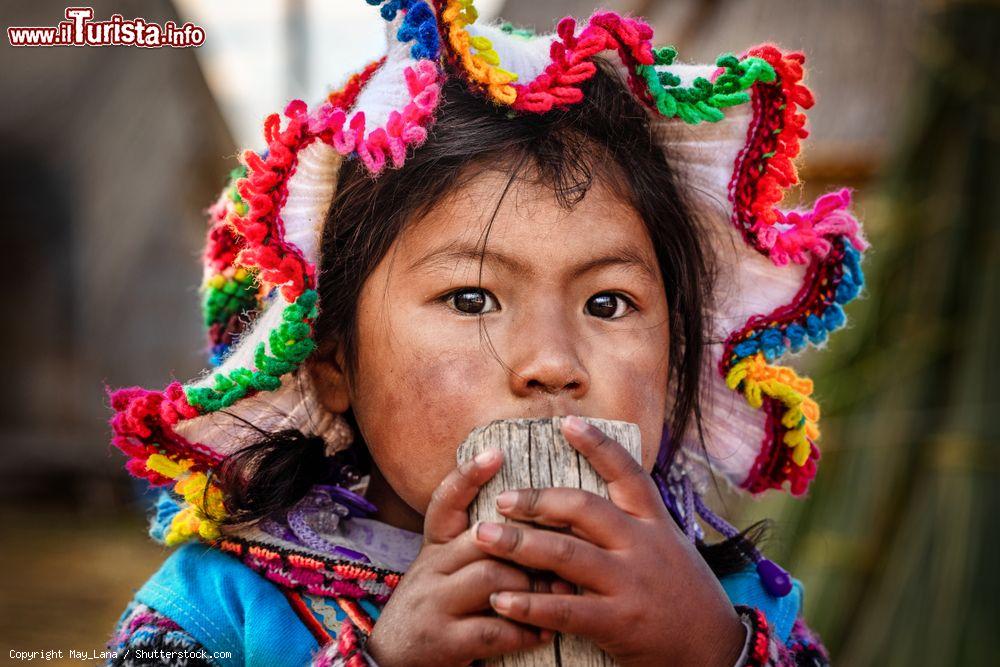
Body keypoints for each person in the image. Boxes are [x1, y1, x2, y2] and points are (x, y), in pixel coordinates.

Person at [105, 2, 867, 665]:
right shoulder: (220, 608)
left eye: (607, 303)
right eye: (471, 298)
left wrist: (712, 653)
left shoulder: (724, 604)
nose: (550, 364)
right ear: (333, 360)